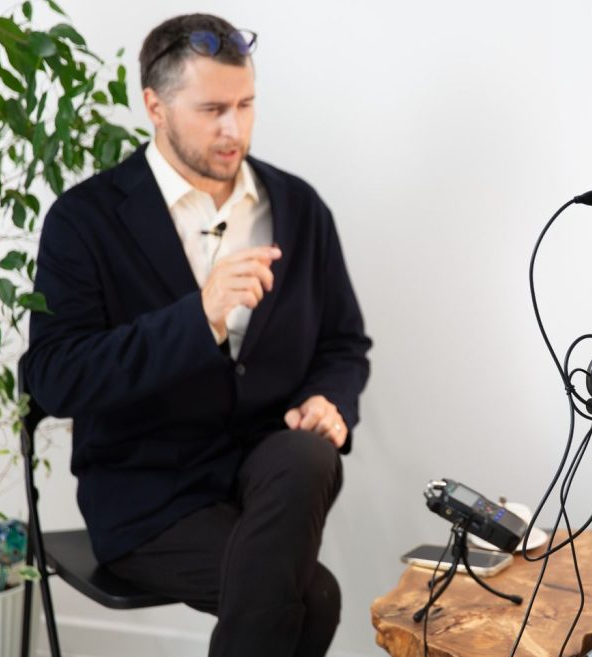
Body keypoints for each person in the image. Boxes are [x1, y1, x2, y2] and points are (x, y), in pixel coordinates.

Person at [22, 13, 371, 657]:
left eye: (246, 105)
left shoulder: (298, 207)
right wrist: (199, 317)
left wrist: (330, 401)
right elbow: (55, 377)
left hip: (266, 481)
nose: (234, 128)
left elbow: (344, 344)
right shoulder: (85, 220)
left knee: (310, 453)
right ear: (155, 106)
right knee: (314, 599)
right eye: (212, 109)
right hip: (147, 494)